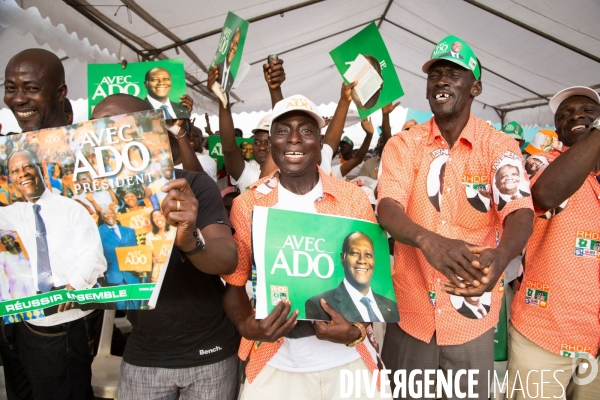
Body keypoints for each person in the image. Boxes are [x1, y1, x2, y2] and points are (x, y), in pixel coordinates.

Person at [377, 35, 534, 398]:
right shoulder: (404, 144)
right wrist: (426, 239)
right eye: (435, 75)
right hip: (410, 316)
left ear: (475, 86)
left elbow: (520, 211)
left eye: (454, 74)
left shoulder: (499, 146)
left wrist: (501, 256)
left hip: (471, 319)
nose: (442, 81)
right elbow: (388, 208)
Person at [222, 94, 380, 400]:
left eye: (306, 131)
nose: (294, 139)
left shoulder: (353, 200)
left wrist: (356, 331)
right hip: (276, 360)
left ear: (320, 141)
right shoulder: (248, 205)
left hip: (346, 363)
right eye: (282, 130)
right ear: (271, 141)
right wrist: (246, 326)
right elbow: (235, 284)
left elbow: (371, 284)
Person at [91, 93, 241, 399]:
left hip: (209, 353)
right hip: (144, 356)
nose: (107, 137)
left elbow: (227, 259)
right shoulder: (92, 203)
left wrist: (188, 239)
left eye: (119, 127)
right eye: (96, 130)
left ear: (151, 132)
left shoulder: (193, 185)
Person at [0, 48, 105, 400]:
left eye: (30, 88)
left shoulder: (86, 154)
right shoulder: (7, 156)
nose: (18, 98)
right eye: (10, 88)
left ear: (60, 93)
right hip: (12, 314)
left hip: (60, 318)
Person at [506, 86, 600, 399]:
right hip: (544, 331)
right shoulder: (540, 162)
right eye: (565, 115)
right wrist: (596, 134)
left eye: (587, 109)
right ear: (557, 129)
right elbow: (544, 195)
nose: (577, 115)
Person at [305, 231, 399, 323]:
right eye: (355, 253)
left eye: (368, 255)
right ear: (342, 258)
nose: (362, 260)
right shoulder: (318, 303)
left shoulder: (391, 305)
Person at [359, 102, 400, 180]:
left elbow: (388, 143)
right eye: (380, 142)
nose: (383, 144)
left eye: (384, 141)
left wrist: (385, 115)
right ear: (377, 145)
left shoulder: (397, 162)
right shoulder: (368, 164)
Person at [0, 231, 36, 300]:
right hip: (15, 288)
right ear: (3, 243)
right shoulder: (3, 256)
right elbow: (1, 275)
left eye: (9, 238)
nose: (7, 241)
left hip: (31, 285)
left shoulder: (26, 251)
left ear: (13, 238)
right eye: (4, 240)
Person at [145, 209, 176, 283]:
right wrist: (152, 259)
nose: (158, 218)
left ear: (165, 217)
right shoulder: (149, 236)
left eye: (160, 215)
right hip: (158, 275)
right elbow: (147, 257)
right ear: (152, 220)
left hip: (175, 270)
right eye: (154, 217)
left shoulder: (175, 230)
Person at [215, 27, 241, 93]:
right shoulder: (216, 68)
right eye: (233, 41)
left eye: (236, 44)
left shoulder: (231, 78)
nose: (233, 47)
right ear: (228, 42)